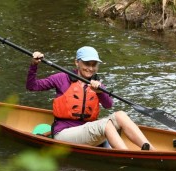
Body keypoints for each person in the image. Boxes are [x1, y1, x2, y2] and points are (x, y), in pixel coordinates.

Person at [26, 46, 155, 150]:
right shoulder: (61, 78)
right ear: (77, 62)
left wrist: (100, 91)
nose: (90, 68)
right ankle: (127, 155)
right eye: (87, 64)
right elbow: (32, 86)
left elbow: (108, 105)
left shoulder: (97, 83)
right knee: (105, 124)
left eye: (94, 65)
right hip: (64, 133)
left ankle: (151, 151)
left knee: (120, 115)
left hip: (88, 132)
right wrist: (34, 65)